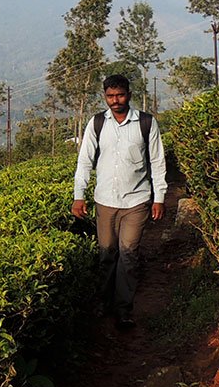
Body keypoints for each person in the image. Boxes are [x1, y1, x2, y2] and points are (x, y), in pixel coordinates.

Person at [71, 74, 167, 329]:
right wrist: (78, 195)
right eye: (110, 96)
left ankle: (124, 309)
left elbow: (158, 162)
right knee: (107, 254)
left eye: (120, 95)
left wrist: (159, 198)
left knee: (128, 254)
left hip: (137, 200)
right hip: (105, 200)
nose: (115, 101)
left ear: (129, 94)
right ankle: (104, 302)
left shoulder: (146, 123)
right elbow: (84, 161)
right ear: (105, 96)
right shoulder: (97, 123)